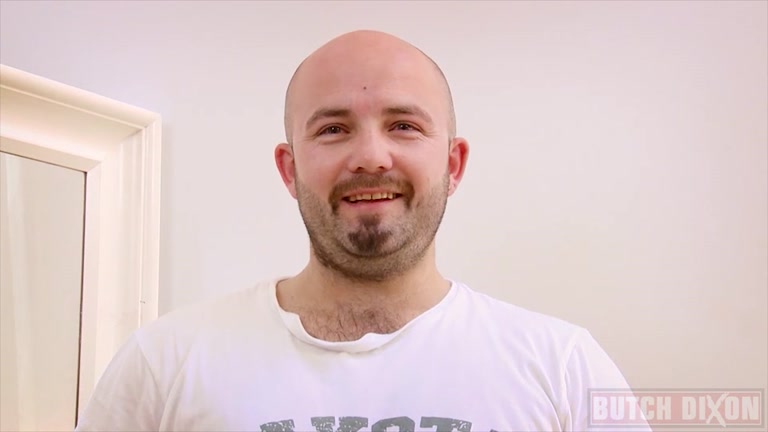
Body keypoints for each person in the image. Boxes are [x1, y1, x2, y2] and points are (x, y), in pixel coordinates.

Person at [75, 30, 649, 432]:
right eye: (332, 129)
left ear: (453, 164)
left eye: (404, 125)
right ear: (289, 167)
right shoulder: (164, 365)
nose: (371, 157)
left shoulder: (565, 367)